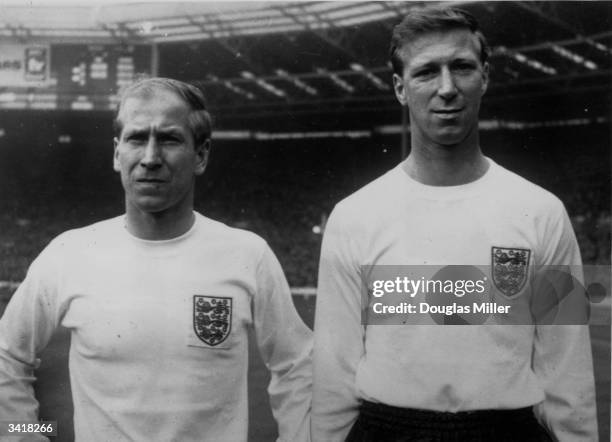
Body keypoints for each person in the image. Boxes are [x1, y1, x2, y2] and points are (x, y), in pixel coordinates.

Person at [312, 7, 597, 442]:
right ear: (399, 88)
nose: (447, 88)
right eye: (427, 72)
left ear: (484, 76)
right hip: (389, 430)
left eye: (461, 67)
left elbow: (569, 369)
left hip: (506, 431)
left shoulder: (543, 212)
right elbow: (334, 374)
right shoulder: (353, 216)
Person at [0, 77, 312, 442]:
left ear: (201, 154)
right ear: (117, 154)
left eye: (169, 139)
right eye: (136, 138)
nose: (149, 158)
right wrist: (24, 436)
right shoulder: (68, 254)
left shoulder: (248, 254)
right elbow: (7, 356)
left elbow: (297, 366)